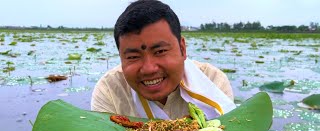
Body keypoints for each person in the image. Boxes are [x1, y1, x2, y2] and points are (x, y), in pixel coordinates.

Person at [91, 0, 236, 120]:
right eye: (133, 57)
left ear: (182, 49)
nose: (149, 68)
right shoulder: (109, 91)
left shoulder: (214, 81)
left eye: (160, 51)